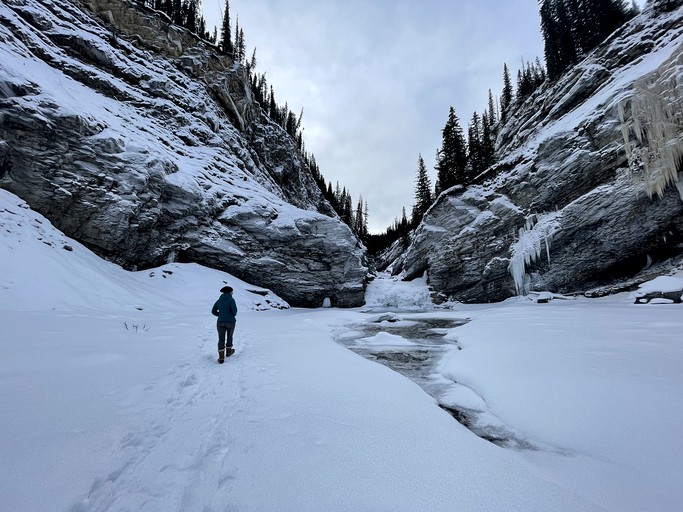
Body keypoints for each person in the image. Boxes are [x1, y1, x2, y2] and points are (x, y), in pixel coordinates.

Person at [211, 285, 237, 364]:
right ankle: (228, 352)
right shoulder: (231, 300)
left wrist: (221, 315)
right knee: (229, 336)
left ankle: (221, 357)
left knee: (221, 339)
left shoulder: (218, 301)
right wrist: (228, 314)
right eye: (232, 291)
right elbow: (234, 312)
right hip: (231, 322)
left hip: (220, 322)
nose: (232, 292)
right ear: (229, 292)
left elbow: (213, 311)